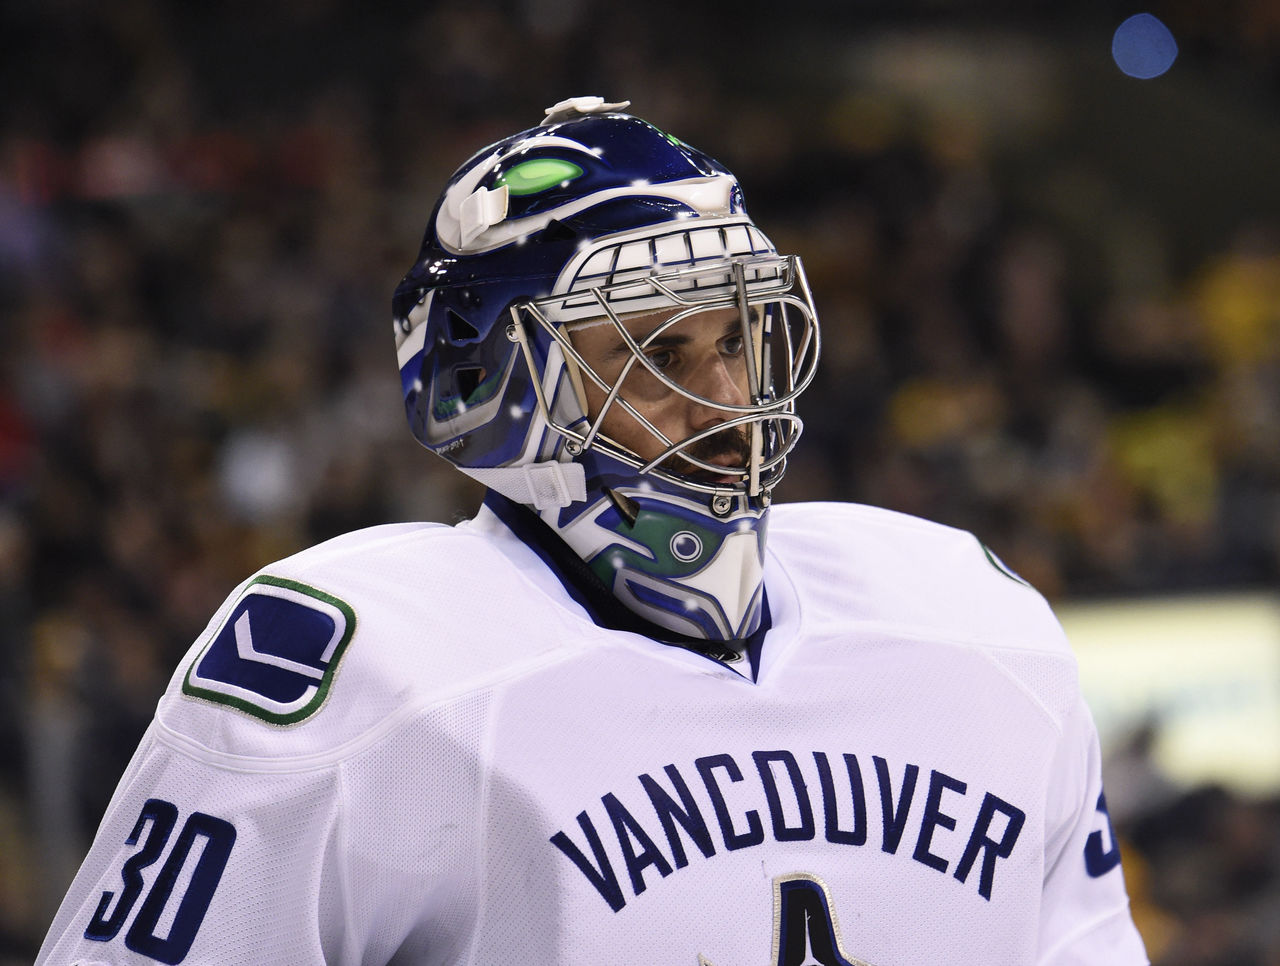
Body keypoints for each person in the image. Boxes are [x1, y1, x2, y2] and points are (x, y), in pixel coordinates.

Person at [37, 96, 1148, 966]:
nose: (725, 399)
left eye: (735, 339)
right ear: (496, 381)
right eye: (658, 354)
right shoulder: (361, 667)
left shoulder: (970, 621)